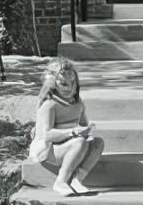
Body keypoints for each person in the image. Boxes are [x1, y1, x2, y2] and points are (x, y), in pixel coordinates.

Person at [29, 58, 105, 197]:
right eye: (63, 83)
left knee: (98, 143)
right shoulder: (50, 105)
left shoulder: (78, 104)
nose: (69, 88)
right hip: (49, 150)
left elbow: (82, 124)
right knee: (79, 141)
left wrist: (85, 129)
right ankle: (61, 181)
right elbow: (47, 135)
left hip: (67, 146)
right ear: (51, 84)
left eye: (72, 83)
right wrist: (73, 132)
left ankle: (77, 178)